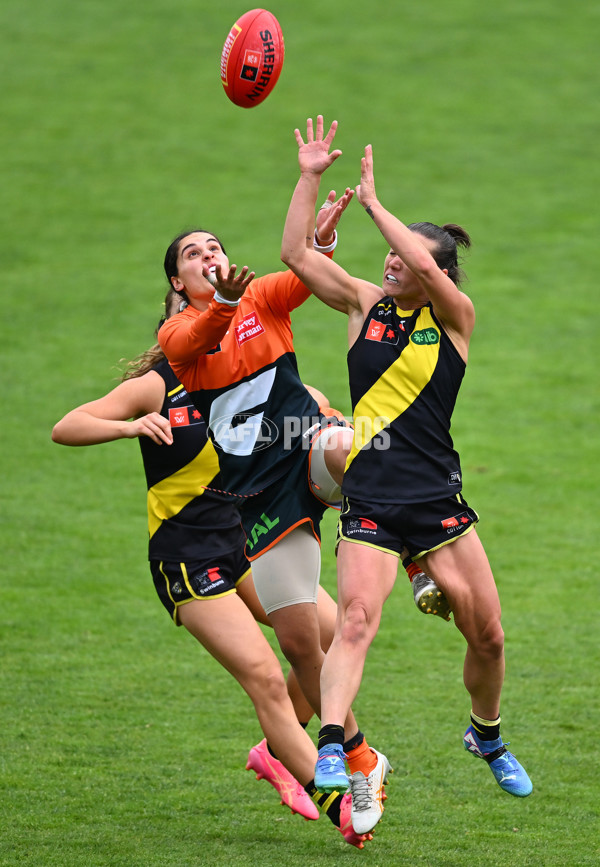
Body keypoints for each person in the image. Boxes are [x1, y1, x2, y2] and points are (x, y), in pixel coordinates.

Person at [51, 291, 372, 848]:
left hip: (246, 539)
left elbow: (312, 409)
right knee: (267, 679)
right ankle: (340, 797)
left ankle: (279, 748)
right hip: (190, 556)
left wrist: (332, 432)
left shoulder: (248, 376)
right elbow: (67, 425)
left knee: (329, 632)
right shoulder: (159, 383)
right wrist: (131, 427)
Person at [280, 115, 533, 800]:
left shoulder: (455, 318)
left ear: (442, 274)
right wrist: (309, 179)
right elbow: (297, 257)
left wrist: (375, 205)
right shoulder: (366, 305)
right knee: (356, 621)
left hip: (437, 500)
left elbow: (422, 261)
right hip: (371, 499)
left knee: (488, 635)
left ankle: (486, 733)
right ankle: (331, 746)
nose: (389, 261)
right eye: (387, 252)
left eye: (402, 256)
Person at [156, 200, 391, 834]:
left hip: (305, 455)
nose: (209, 255)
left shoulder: (261, 297)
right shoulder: (174, 339)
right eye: (193, 254)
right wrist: (225, 306)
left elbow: (307, 271)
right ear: (178, 282)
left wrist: (318, 225)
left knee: (349, 445)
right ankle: (287, 748)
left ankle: (406, 551)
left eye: (215, 246)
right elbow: (196, 338)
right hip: (256, 505)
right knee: (306, 642)